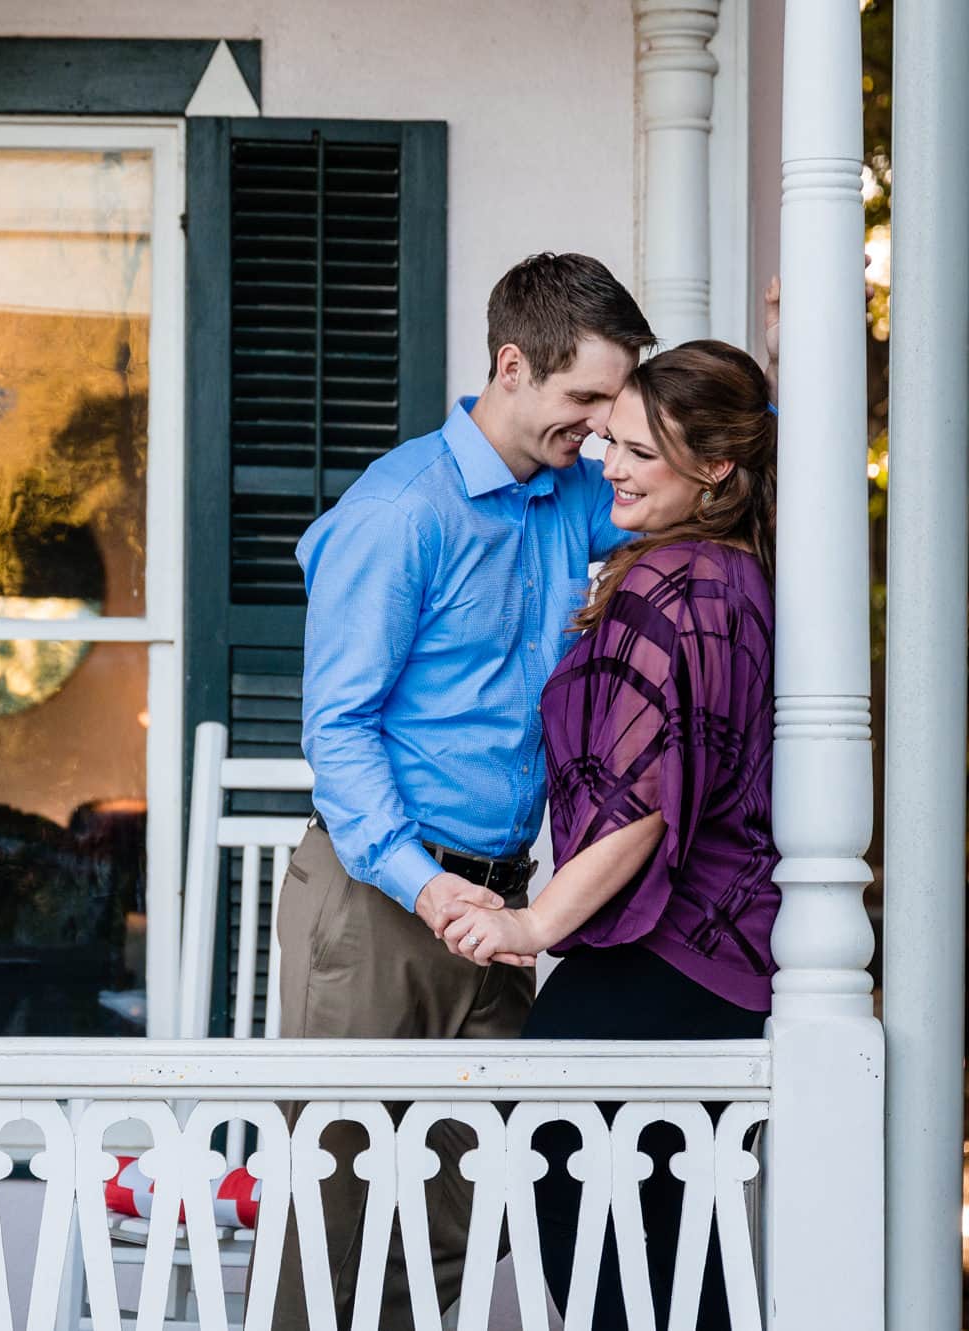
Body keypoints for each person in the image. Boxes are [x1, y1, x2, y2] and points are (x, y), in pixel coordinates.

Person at [268, 252, 654, 1331]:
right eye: (580, 399)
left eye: (606, 406)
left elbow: (682, 476)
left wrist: (773, 374)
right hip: (379, 897)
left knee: (447, 1220)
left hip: (500, 908)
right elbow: (335, 731)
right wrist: (429, 889)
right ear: (510, 364)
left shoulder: (564, 488)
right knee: (334, 1218)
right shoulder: (400, 511)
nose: (593, 428)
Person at [442, 339, 780, 1330]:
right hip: (728, 969)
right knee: (680, 1264)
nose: (609, 465)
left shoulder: (660, 588)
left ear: (712, 467)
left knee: (603, 1265)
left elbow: (640, 802)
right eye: (609, 441)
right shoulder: (739, 578)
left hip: (651, 969)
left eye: (637, 450)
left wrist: (529, 921)